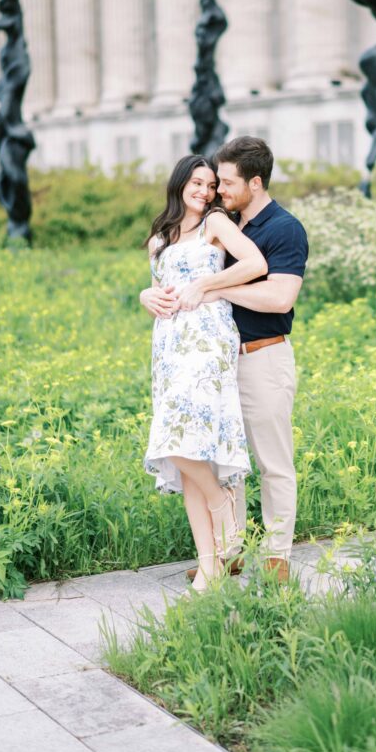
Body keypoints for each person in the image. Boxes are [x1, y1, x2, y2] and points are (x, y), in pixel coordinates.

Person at [175, 137, 309, 583]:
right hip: (219, 363)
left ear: (256, 182)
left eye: (228, 182)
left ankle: (276, 556)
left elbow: (279, 297)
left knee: (273, 462)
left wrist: (213, 288)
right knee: (226, 459)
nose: (219, 190)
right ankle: (230, 551)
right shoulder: (227, 224)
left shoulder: (284, 229)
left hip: (263, 357)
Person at [139, 154, 268, 592]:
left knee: (178, 438)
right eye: (197, 182)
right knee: (186, 444)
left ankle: (222, 502)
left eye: (211, 184)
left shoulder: (215, 223)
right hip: (169, 345)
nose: (205, 191)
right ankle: (210, 566)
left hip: (207, 338)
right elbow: (159, 289)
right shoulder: (160, 236)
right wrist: (145, 296)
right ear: (179, 184)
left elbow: (255, 264)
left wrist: (204, 287)